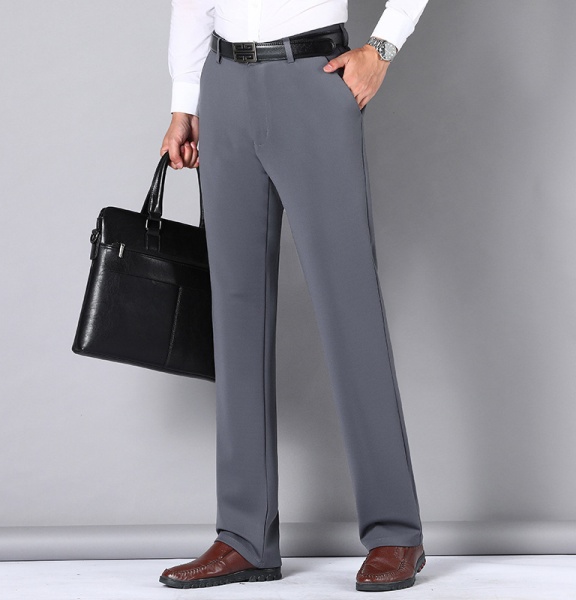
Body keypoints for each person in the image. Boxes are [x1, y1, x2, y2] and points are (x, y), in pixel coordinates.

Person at [159, 0, 430, 592]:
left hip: (311, 76)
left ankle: (395, 532)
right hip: (223, 86)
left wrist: (382, 47)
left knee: (349, 306)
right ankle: (243, 537)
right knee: (235, 312)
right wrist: (185, 101)